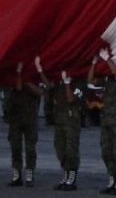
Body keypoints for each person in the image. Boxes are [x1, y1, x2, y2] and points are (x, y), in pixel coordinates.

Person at [36, 57, 83, 191]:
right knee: (60, 148)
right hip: (60, 120)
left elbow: (70, 99)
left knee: (71, 149)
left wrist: (68, 83)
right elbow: (49, 86)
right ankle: (66, 173)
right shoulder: (59, 83)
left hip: (72, 120)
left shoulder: (79, 83)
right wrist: (40, 70)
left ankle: (72, 176)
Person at [89, 49, 116, 195]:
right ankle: (112, 179)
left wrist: (107, 59)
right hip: (106, 119)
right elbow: (91, 80)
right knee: (106, 151)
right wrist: (94, 63)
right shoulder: (107, 79)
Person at [7, 62, 40, 187]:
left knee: (30, 148)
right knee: (15, 147)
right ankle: (17, 175)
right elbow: (18, 87)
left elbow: (40, 92)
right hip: (16, 117)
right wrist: (19, 73)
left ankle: (29, 174)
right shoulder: (14, 76)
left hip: (30, 118)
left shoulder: (34, 76)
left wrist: (28, 81)